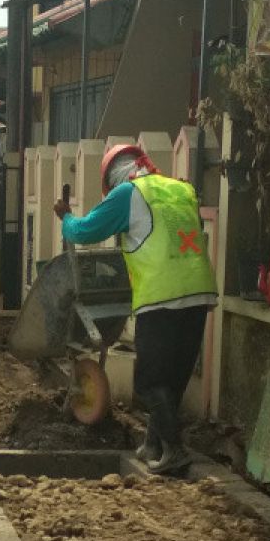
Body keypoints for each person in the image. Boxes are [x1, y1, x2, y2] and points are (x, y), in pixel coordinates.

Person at [54, 144, 217, 474]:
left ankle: (173, 449)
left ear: (111, 178)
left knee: (148, 380)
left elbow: (85, 231)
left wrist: (65, 217)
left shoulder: (128, 192)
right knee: (172, 377)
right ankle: (153, 444)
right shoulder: (181, 188)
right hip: (199, 291)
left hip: (161, 294)